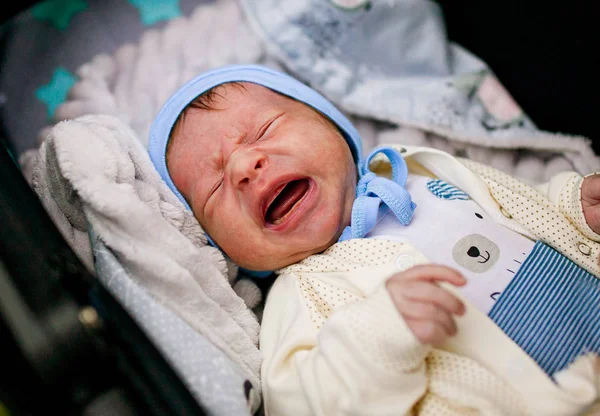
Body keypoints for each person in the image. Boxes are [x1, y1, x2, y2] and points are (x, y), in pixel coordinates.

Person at [148, 65, 600, 415]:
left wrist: (570, 209)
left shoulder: (418, 170)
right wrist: (376, 340)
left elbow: (511, 207)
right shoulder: (299, 296)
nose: (245, 167)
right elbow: (301, 403)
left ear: (336, 128)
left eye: (263, 130)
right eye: (214, 190)